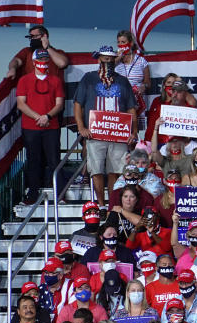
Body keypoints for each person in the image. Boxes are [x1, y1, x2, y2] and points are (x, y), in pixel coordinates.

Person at [73, 46, 138, 210]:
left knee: (116, 170)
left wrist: (134, 131)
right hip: (95, 133)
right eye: (104, 59)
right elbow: (78, 104)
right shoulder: (88, 79)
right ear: (98, 59)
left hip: (118, 133)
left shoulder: (123, 81)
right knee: (96, 170)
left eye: (110, 59)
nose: (108, 62)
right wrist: (81, 127)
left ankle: (113, 204)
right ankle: (101, 205)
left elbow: (131, 108)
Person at [15, 49, 65, 204]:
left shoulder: (56, 80)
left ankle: (60, 194)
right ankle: (32, 194)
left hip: (51, 126)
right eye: (40, 60)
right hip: (31, 126)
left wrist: (47, 116)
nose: (43, 63)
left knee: (54, 160)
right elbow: (21, 103)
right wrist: (38, 117)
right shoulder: (24, 80)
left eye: (45, 60)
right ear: (35, 62)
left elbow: (59, 103)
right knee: (33, 160)